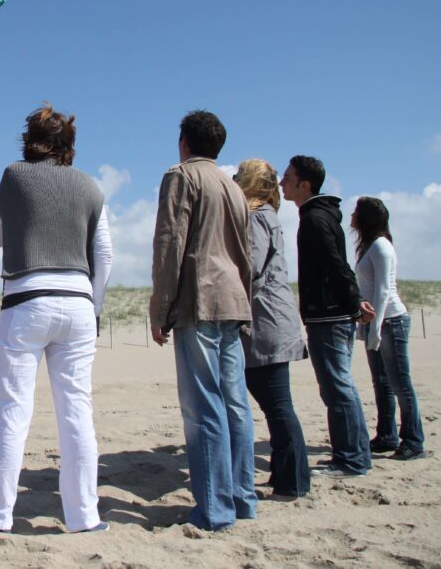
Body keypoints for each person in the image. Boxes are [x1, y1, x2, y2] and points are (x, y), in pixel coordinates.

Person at [0, 103, 112, 535]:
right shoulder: (89, 185)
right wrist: (94, 308)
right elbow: (104, 255)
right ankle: (84, 517)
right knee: (77, 412)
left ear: (29, 139)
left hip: (26, 299)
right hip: (78, 303)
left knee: (13, 412)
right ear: (68, 144)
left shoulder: (14, 175)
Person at [149, 110, 257, 531]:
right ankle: (242, 499)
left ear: (184, 141)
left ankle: (214, 509)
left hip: (200, 300)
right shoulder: (233, 187)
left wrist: (160, 309)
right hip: (233, 300)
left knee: (203, 407)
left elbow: (169, 244)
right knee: (235, 404)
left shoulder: (181, 176)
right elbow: (245, 253)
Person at [279, 155, 374, 478]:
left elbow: (335, 265)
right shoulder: (318, 215)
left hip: (329, 316)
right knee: (340, 386)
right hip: (332, 314)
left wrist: (354, 302)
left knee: (337, 387)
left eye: (288, 178)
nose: (282, 183)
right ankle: (355, 454)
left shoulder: (315, 219)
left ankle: (351, 459)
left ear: (305, 184)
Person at [233, 159, 311, 498]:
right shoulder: (267, 215)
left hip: (266, 322)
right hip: (272, 320)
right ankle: (285, 475)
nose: (234, 180)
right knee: (276, 404)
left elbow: (249, 267)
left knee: (277, 405)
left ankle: (293, 480)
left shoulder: (256, 217)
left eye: (239, 176)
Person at [351, 196, 426, 461]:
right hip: (376, 321)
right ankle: (386, 435)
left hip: (391, 320)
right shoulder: (369, 245)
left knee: (400, 383)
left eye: (357, 212)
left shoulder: (381, 246)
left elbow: (383, 290)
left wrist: (376, 328)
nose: (352, 216)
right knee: (381, 382)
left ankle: (414, 440)